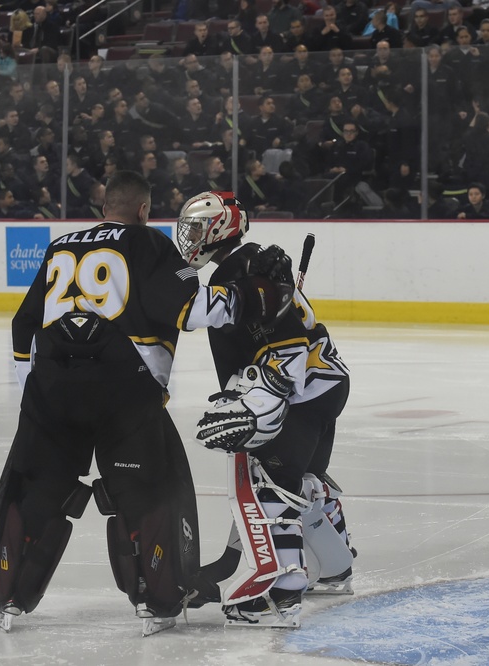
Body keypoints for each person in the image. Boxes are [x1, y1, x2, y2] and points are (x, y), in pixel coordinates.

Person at [0, 171, 295, 636]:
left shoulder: (62, 245)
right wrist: (255, 296)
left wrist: (35, 391)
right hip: (125, 392)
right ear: (143, 211)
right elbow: (192, 309)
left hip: (52, 390)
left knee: (34, 489)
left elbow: (24, 326)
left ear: (102, 207)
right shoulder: (149, 244)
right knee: (152, 491)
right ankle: (157, 602)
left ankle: (1, 595)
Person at [178, 191, 354, 628]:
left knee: (269, 484)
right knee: (304, 482)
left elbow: (287, 348)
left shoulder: (243, 268)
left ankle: (280, 593)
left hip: (298, 391)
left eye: (198, 228)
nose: (190, 237)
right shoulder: (247, 263)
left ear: (221, 228)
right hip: (326, 383)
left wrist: (259, 405)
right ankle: (335, 567)